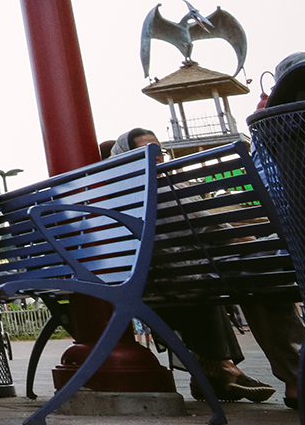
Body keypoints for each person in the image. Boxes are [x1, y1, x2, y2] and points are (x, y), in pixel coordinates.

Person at [111, 128, 293, 405]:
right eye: (149, 152)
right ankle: (297, 376)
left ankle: (215, 373)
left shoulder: (117, 200)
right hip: (187, 281)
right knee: (258, 269)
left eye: (159, 151)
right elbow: (223, 232)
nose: (158, 157)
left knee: (209, 277)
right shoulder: (171, 188)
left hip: (149, 287)